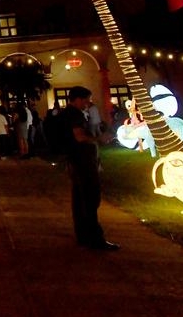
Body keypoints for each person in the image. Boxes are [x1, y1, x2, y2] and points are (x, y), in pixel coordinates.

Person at [61, 86, 119, 251]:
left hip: (74, 159)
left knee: (79, 200)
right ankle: (95, 238)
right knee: (90, 198)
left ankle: (83, 236)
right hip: (83, 160)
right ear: (78, 99)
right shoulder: (75, 115)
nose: (88, 103)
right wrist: (98, 139)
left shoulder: (66, 114)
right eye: (87, 99)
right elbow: (80, 137)